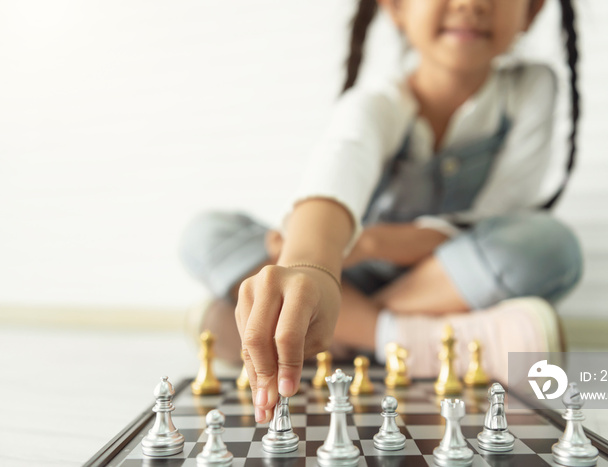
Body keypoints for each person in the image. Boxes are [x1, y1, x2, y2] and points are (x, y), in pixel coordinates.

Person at [180, 0, 582, 424]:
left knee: (550, 245)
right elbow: (338, 170)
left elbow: (501, 212)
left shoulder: (532, 87)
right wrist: (312, 267)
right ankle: (416, 341)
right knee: (205, 234)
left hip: (444, 278)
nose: (470, 4)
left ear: (534, 10)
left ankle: (341, 330)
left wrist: (368, 243)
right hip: (350, 276)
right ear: (395, 7)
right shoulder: (378, 100)